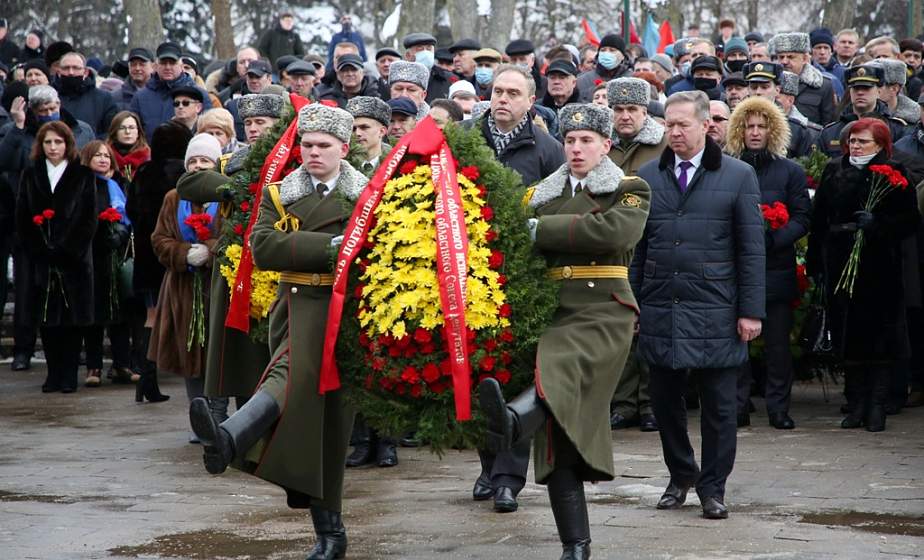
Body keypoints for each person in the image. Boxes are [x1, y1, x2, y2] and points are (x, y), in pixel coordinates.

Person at [189, 104, 368, 559]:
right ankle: (231, 438)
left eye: (323, 146)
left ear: (344, 149)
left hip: (345, 313)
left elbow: (370, 248)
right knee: (288, 375)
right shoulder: (280, 192)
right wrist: (333, 246)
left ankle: (330, 532)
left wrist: (312, 246)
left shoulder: (366, 195)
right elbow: (265, 246)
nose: (313, 153)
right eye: (307, 145)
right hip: (296, 306)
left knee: (328, 425)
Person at [479, 103, 650, 558]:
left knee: (560, 366)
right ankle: (575, 545)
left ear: (605, 145)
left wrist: (541, 231)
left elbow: (613, 234)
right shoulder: (538, 195)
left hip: (603, 311)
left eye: (586, 140)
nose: (576, 148)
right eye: (570, 140)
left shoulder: (629, 188)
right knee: (559, 436)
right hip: (552, 309)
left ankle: (514, 420)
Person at [633, 90, 765, 520]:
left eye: (682, 124)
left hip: (717, 308)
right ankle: (680, 475)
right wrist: (631, 305)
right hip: (661, 304)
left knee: (720, 408)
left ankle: (713, 487)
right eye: (668, 124)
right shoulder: (649, 176)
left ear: (706, 125)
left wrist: (751, 311)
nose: (673, 132)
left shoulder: (738, 175)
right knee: (665, 403)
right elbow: (637, 248)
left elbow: (751, 249)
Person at [468, 64, 564, 514]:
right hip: (470, 275)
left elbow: (558, 211)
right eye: (497, 92)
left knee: (515, 377)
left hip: (522, 280)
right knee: (477, 376)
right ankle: (488, 466)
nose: (502, 99)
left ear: (530, 101)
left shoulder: (547, 150)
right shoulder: (466, 139)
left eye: (512, 93)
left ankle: (509, 478)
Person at [175, 92, 283, 433]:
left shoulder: (293, 161)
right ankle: (219, 419)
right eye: (247, 123)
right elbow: (189, 183)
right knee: (229, 349)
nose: (253, 129)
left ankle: (262, 423)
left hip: (275, 266)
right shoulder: (234, 161)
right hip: (234, 268)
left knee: (267, 352)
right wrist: (236, 187)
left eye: (260, 122)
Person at [807, 118, 920, 432]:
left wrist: (878, 224)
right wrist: (817, 262)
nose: (855, 147)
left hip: (880, 265)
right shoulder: (835, 169)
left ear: (880, 145)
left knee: (879, 338)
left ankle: (877, 405)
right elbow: (819, 220)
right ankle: (855, 402)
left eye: (862, 141)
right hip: (840, 260)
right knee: (847, 334)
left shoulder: (895, 171)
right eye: (852, 141)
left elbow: (910, 220)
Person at [725, 96, 811, 429]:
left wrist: (774, 238)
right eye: (749, 126)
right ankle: (737, 406)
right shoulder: (726, 168)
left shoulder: (790, 171)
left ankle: (778, 408)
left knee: (777, 345)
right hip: (735, 267)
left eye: (762, 126)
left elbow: (802, 217)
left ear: (773, 130)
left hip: (776, 266)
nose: (755, 132)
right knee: (736, 342)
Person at [149, 133, 222, 441]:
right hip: (182, 289)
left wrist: (211, 250)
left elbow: (238, 236)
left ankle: (220, 417)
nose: (198, 166)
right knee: (189, 353)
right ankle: (200, 420)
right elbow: (159, 239)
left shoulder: (227, 196)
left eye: (205, 160)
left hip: (217, 288)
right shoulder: (173, 198)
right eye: (193, 161)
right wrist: (183, 253)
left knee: (217, 353)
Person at [15, 121, 97, 393]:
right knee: (46, 319)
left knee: (72, 320)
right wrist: (40, 249)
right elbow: (23, 216)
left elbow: (88, 218)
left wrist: (67, 249)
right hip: (41, 261)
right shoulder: (31, 174)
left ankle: (69, 374)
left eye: (58, 142)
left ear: (68, 144)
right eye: (48, 142)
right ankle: (53, 373)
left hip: (74, 259)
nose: (53, 147)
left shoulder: (82, 174)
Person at [604, 77, 667, 433]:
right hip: (613, 247)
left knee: (650, 327)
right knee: (619, 327)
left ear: (645, 111)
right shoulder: (603, 145)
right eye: (618, 109)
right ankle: (624, 403)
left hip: (652, 243)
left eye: (632, 109)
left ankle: (651, 403)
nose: (625, 116)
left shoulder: (662, 146)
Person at [126, 121, 193, 403]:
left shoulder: (143, 172)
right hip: (176, 254)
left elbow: (131, 210)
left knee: (151, 316)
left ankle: (146, 380)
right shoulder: (184, 175)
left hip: (147, 253)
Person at [77, 140, 133, 387]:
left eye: (107, 156)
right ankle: (94, 366)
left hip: (116, 255)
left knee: (120, 314)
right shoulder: (82, 184)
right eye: (97, 155)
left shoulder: (119, 184)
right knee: (95, 314)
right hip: (93, 257)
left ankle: (122, 364)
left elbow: (129, 214)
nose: (103, 159)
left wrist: (121, 231)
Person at [816, 65, 909, 157]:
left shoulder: (896, 129)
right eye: (855, 88)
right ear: (850, 91)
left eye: (866, 88)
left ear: (879, 91)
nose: (860, 93)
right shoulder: (830, 132)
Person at [130, 42, 211, 142]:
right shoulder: (140, 97)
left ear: (181, 65)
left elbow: (209, 130)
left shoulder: (199, 95)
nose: (168, 67)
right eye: (163, 63)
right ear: (155, 66)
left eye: (172, 63)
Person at [768, 32, 836, 126]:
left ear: (804, 59)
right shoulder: (768, 85)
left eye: (790, 57)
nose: (784, 61)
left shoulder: (823, 85)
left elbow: (828, 124)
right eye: (781, 57)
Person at [54, 51, 118, 138]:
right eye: (66, 68)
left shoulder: (104, 99)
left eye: (76, 68)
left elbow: (111, 132)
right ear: (58, 72)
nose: (71, 72)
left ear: (85, 72)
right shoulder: (50, 97)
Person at [226, 59, 274, 140]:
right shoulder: (233, 106)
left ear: (269, 78)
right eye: (251, 77)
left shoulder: (281, 102)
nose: (254, 81)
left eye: (258, 77)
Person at [576, 34, 631, 101]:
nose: (607, 53)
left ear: (623, 56)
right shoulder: (582, 80)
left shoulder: (632, 79)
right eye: (603, 50)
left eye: (612, 50)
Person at [347, 95, 390, 175]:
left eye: (364, 127)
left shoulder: (395, 163)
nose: (357, 133)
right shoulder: (340, 165)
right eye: (353, 129)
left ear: (382, 131)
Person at [106, 111, 150, 181]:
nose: (127, 132)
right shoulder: (104, 157)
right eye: (122, 128)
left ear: (138, 132)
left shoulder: (149, 159)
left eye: (131, 128)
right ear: (115, 132)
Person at [873, 59, 919, 125]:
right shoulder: (860, 112)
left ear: (894, 88)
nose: (871, 90)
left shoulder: (915, 119)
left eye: (878, 85)